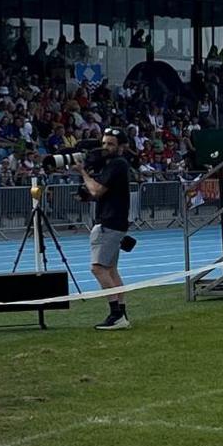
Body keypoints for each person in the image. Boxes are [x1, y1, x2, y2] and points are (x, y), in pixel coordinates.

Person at [79, 128, 134, 330]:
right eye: (104, 143)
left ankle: (116, 314)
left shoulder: (117, 164)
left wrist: (82, 172)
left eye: (110, 144)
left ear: (121, 147)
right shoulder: (114, 165)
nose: (105, 148)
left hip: (110, 222)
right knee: (110, 269)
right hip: (115, 221)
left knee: (98, 268)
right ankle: (121, 312)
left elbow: (96, 190)